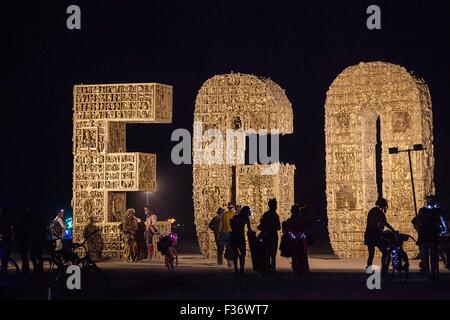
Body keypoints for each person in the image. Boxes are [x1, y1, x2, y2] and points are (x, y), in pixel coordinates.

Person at [364, 197, 396, 274]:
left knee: (371, 254)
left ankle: (369, 268)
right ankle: (384, 268)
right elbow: (385, 223)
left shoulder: (371, 211)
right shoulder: (379, 213)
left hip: (368, 234)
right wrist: (393, 230)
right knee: (385, 252)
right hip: (375, 235)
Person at [414, 195, 441, 279]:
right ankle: (428, 271)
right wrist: (419, 230)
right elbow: (416, 222)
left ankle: (432, 271)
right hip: (425, 235)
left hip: (431, 234)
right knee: (425, 254)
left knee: (432, 254)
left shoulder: (436, 211)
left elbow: (440, 221)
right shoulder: (422, 211)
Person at [258, 198, 281, 276]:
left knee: (267, 254)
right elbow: (278, 227)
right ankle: (272, 269)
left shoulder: (266, 215)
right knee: (272, 255)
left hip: (267, 236)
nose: (276, 207)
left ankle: (268, 268)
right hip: (272, 237)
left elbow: (261, 226)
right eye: (275, 205)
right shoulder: (275, 215)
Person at [230, 206, 252, 275]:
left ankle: (236, 270)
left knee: (235, 254)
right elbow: (249, 228)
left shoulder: (235, 217)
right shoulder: (245, 218)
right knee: (242, 254)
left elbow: (232, 224)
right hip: (240, 237)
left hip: (234, 236)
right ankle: (241, 270)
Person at [221, 202, 236, 267]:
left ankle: (228, 261)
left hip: (225, 232)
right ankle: (231, 261)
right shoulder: (235, 215)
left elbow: (222, 224)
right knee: (232, 247)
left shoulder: (224, 214)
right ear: (232, 208)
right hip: (232, 233)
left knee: (227, 247)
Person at [0, 208, 13, 278]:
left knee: (5, 258)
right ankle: (4, 271)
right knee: (5, 257)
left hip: (5, 241)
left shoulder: (4, 221)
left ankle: (4, 271)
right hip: (6, 241)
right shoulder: (6, 221)